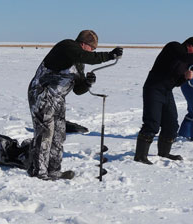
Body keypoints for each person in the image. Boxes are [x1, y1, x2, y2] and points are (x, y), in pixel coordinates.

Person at [27, 30, 122, 180]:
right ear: (84, 44)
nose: (92, 52)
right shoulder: (67, 47)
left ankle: (54, 170)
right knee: (45, 134)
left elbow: (78, 90)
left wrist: (87, 83)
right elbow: (86, 57)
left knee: (59, 135)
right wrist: (109, 55)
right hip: (41, 94)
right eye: (92, 49)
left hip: (58, 99)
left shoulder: (79, 64)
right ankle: (39, 173)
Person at [134, 36, 193, 164]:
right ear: (190, 46)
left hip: (167, 91)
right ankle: (140, 156)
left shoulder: (186, 62)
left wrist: (185, 78)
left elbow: (177, 82)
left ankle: (164, 153)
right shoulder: (174, 47)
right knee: (152, 123)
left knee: (171, 124)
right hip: (153, 88)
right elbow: (185, 57)